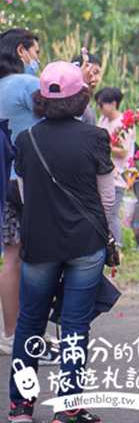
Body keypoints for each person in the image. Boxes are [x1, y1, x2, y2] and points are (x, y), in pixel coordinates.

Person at [8, 62, 114, 423]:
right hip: (85, 243)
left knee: (30, 323)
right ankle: (69, 407)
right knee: (74, 326)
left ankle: (21, 408)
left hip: (39, 243)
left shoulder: (26, 140)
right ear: (82, 96)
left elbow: (23, 193)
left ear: (41, 99)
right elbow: (108, 200)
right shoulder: (96, 137)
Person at [0, 29, 41, 358]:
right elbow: (61, 109)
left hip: (6, 179)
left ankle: (11, 334)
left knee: (11, 257)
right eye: (34, 51)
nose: (36, 58)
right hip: (31, 181)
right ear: (21, 51)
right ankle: (33, 336)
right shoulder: (26, 84)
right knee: (41, 257)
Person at [93, 88, 134, 249]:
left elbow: (123, 151)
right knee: (103, 212)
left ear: (113, 104)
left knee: (112, 213)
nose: (99, 108)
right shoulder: (103, 120)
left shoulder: (124, 124)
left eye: (102, 105)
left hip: (118, 175)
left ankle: (118, 245)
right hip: (102, 172)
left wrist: (103, 146)